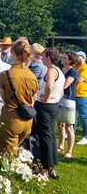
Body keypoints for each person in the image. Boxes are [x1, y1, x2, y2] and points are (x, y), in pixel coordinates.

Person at [0, 41, 39, 154]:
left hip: (11, 118)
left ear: (13, 53)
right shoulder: (32, 76)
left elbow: (3, 97)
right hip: (27, 120)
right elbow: (34, 97)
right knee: (16, 151)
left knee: (6, 157)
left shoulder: (5, 74)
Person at [34, 48, 65, 179]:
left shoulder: (51, 70)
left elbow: (50, 86)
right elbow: (61, 91)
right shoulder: (60, 71)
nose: (41, 58)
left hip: (45, 107)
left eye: (43, 56)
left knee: (44, 136)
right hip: (54, 105)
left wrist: (45, 99)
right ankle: (52, 165)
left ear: (48, 57)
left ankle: (45, 168)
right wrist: (54, 98)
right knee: (50, 135)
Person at [56, 51, 77, 158]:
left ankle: (69, 151)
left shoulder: (73, 72)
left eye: (64, 58)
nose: (62, 59)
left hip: (69, 100)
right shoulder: (60, 70)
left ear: (70, 60)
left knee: (69, 126)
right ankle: (60, 146)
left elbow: (65, 85)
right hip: (59, 99)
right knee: (60, 124)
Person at [75, 51, 87, 145]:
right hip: (73, 95)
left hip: (82, 95)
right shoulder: (75, 67)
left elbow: (79, 80)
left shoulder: (85, 68)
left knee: (83, 116)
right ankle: (71, 132)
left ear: (83, 58)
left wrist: (71, 77)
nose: (75, 58)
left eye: (78, 56)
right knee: (72, 115)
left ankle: (85, 136)